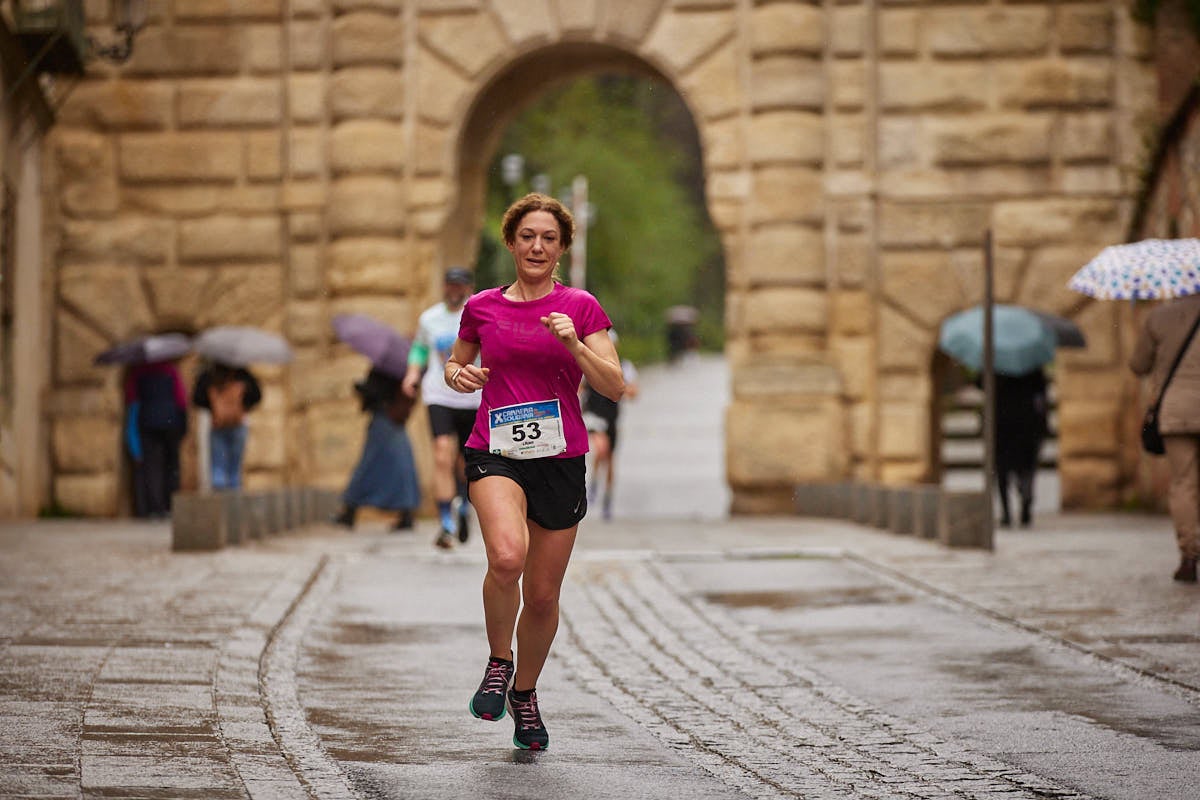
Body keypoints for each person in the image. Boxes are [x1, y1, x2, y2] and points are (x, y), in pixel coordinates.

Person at [443, 193, 624, 750]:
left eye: (548, 238)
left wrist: (574, 345)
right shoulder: (482, 307)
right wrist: (457, 376)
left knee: (542, 595)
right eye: (527, 236)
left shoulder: (581, 307)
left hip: (560, 457)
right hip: (494, 450)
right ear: (511, 242)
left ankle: (524, 693)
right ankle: (499, 662)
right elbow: (456, 362)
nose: (537, 246)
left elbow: (614, 385)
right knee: (506, 557)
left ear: (562, 247)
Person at [402, 266, 481, 549]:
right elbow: (420, 348)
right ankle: (446, 522)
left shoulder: (478, 314)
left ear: (468, 288)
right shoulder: (430, 318)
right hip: (439, 395)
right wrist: (412, 374)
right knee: (441, 454)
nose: (454, 290)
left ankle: (463, 504)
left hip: (473, 397)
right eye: (450, 285)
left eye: (460, 286)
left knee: (466, 461)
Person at [1130, 293, 1200, 583]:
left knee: (1184, 483)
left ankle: (1189, 555)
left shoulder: (1160, 316)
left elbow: (1138, 364)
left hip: (1175, 411)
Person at [332, 368, 420, 531]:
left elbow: (377, 391)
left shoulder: (396, 369)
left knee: (370, 465)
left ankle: (351, 510)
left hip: (386, 418)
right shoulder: (403, 368)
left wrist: (363, 388)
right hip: (392, 419)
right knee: (398, 465)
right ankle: (405, 511)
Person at [580, 330, 639, 520]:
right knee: (601, 448)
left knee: (610, 459)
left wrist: (619, 387)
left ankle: (606, 496)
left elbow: (633, 393)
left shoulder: (624, 367)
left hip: (611, 417)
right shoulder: (586, 363)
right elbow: (578, 388)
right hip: (593, 415)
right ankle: (593, 485)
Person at [125, 360, 188, 518]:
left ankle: (155, 507)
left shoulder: (138, 373)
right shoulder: (171, 371)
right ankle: (171, 506)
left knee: (152, 467)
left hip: (148, 422)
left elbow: (132, 398)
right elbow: (181, 399)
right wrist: (183, 426)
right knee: (172, 466)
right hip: (171, 422)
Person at [991, 369, 1048, 528]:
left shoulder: (997, 367)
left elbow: (981, 384)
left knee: (1003, 473)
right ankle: (1024, 503)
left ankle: (1007, 513)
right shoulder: (1033, 369)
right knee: (1025, 469)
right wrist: (1042, 426)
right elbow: (1041, 397)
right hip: (1026, 426)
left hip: (1003, 427)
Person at [191, 362, 262, 490]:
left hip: (218, 425)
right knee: (234, 470)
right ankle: (234, 499)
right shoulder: (242, 374)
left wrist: (213, 407)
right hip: (238, 424)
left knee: (218, 467)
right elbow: (257, 395)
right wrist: (243, 405)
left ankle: (220, 497)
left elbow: (197, 398)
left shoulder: (209, 375)